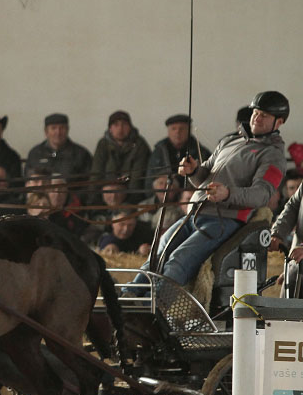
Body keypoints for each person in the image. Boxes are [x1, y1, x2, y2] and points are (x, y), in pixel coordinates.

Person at [128, 91, 289, 292]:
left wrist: (227, 193)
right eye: (255, 112)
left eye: (264, 115)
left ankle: (156, 308)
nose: (257, 117)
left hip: (224, 220)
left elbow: (261, 194)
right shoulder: (230, 141)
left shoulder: (273, 156)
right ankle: (130, 299)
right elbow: (204, 175)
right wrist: (193, 170)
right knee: (157, 254)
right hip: (195, 214)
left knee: (179, 260)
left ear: (279, 122)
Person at [90, 110, 151, 204]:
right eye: (116, 125)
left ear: (130, 127)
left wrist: (129, 202)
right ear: (110, 128)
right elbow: (96, 173)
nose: (120, 129)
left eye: (124, 124)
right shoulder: (103, 144)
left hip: (130, 194)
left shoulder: (139, 144)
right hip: (106, 192)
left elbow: (137, 177)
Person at [145, 114, 211, 197]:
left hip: (190, 198)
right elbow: (149, 181)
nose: (177, 132)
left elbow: (207, 180)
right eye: (173, 129)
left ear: (189, 130)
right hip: (161, 199)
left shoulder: (201, 152)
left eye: (182, 129)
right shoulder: (159, 151)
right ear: (168, 132)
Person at [25, 113, 92, 181]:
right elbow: (28, 180)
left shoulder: (81, 154)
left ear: (67, 130)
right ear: (46, 131)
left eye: (62, 128)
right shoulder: (35, 153)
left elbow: (88, 183)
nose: (58, 132)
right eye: (53, 128)